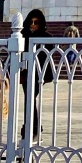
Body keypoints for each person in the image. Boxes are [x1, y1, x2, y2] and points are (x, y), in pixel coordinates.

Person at [19, 9, 54, 140]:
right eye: (31, 22)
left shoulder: (47, 37)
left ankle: (31, 126)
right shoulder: (22, 35)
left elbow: (48, 56)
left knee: (30, 98)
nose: (33, 24)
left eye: (36, 22)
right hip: (25, 73)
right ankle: (33, 127)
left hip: (39, 74)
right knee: (30, 99)